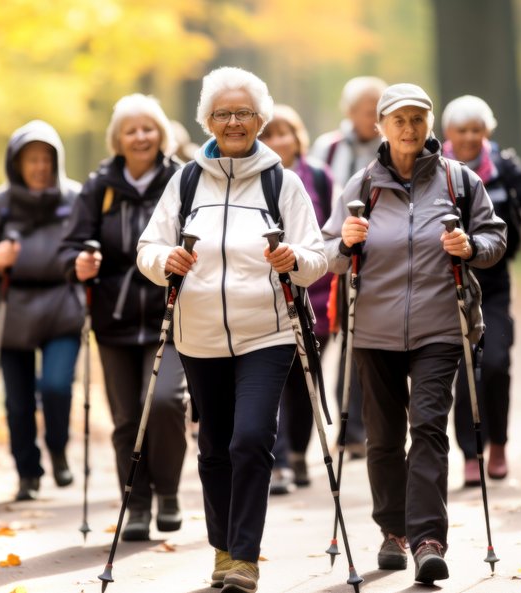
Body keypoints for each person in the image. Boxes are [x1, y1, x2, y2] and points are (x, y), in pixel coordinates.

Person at [137, 66, 327, 593]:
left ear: (261, 120)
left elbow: (318, 258)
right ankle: (222, 550)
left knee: (250, 440)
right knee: (215, 446)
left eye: (244, 113)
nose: (234, 122)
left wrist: (294, 259)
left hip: (267, 333)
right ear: (208, 121)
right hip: (197, 336)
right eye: (223, 113)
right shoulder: (187, 180)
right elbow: (147, 249)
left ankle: (244, 557)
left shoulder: (280, 182)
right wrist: (165, 262)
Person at [322, 83, 506, 584]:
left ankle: (428, 539)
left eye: (417, 119)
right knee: (382, 438)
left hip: (440, 327)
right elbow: (328, 255)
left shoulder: (458, 181)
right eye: (398, 120)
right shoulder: (362, 186)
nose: (408, 129)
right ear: (381, 126)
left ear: (430, 126)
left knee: (428, 427)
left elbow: (495, 238)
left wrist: (469, 246)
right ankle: (392, 532)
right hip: (373, 331)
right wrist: (345, 240)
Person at [62, 94, 188, 541]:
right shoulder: (99, 187)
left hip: (172, 317)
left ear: (161, 134)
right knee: (126, 418)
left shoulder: (182, 180)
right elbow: (72, 245)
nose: (140, 137)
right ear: (118, 138)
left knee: (167, 403)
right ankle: (135, 505)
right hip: (113, 322)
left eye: (148, 128)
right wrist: (80, 261)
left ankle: (169, 493)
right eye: (131, 130)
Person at [441, 95, 521, 486]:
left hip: (493, 280)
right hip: (445, 284)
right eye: (461, 130)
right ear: (448, 133)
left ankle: (497, 441)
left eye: (476, 130)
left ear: (487, 132)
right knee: (465, 367)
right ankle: (469, 451)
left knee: (495, 362)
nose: (469, 137)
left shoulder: (502, 166)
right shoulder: (435, 168)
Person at [0, 120, 85, 502]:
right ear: (16, 163)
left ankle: (57, 446)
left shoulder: (75, 198)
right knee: (18, 401)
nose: (40, 166)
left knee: (56, 387)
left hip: (62, 306)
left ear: (56, 161)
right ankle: (28, 472)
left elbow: (92, 244)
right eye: (31, 159)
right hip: (12, 307)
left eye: (46, 159)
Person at [311, 75, 388, 459]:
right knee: (334, 336)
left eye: (378, 108)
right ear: (349, 111)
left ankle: (353, 429)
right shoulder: (328, 149)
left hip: (380, 256)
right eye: (364, 109)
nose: (371, 116)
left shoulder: (392, 147)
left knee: (359, 341)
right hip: (336, 252)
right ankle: (323, 426)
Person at [259, 104, 334, 494]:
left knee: (306, 382)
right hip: (267, 299)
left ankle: (299, 453)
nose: (276, 142)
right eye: (268, 135)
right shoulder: (252, 182)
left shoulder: (319, 178)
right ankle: (280, 460)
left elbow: (331, 236)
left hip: (316, 300)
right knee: (276, 376)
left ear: (298, 136)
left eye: (282, 133)